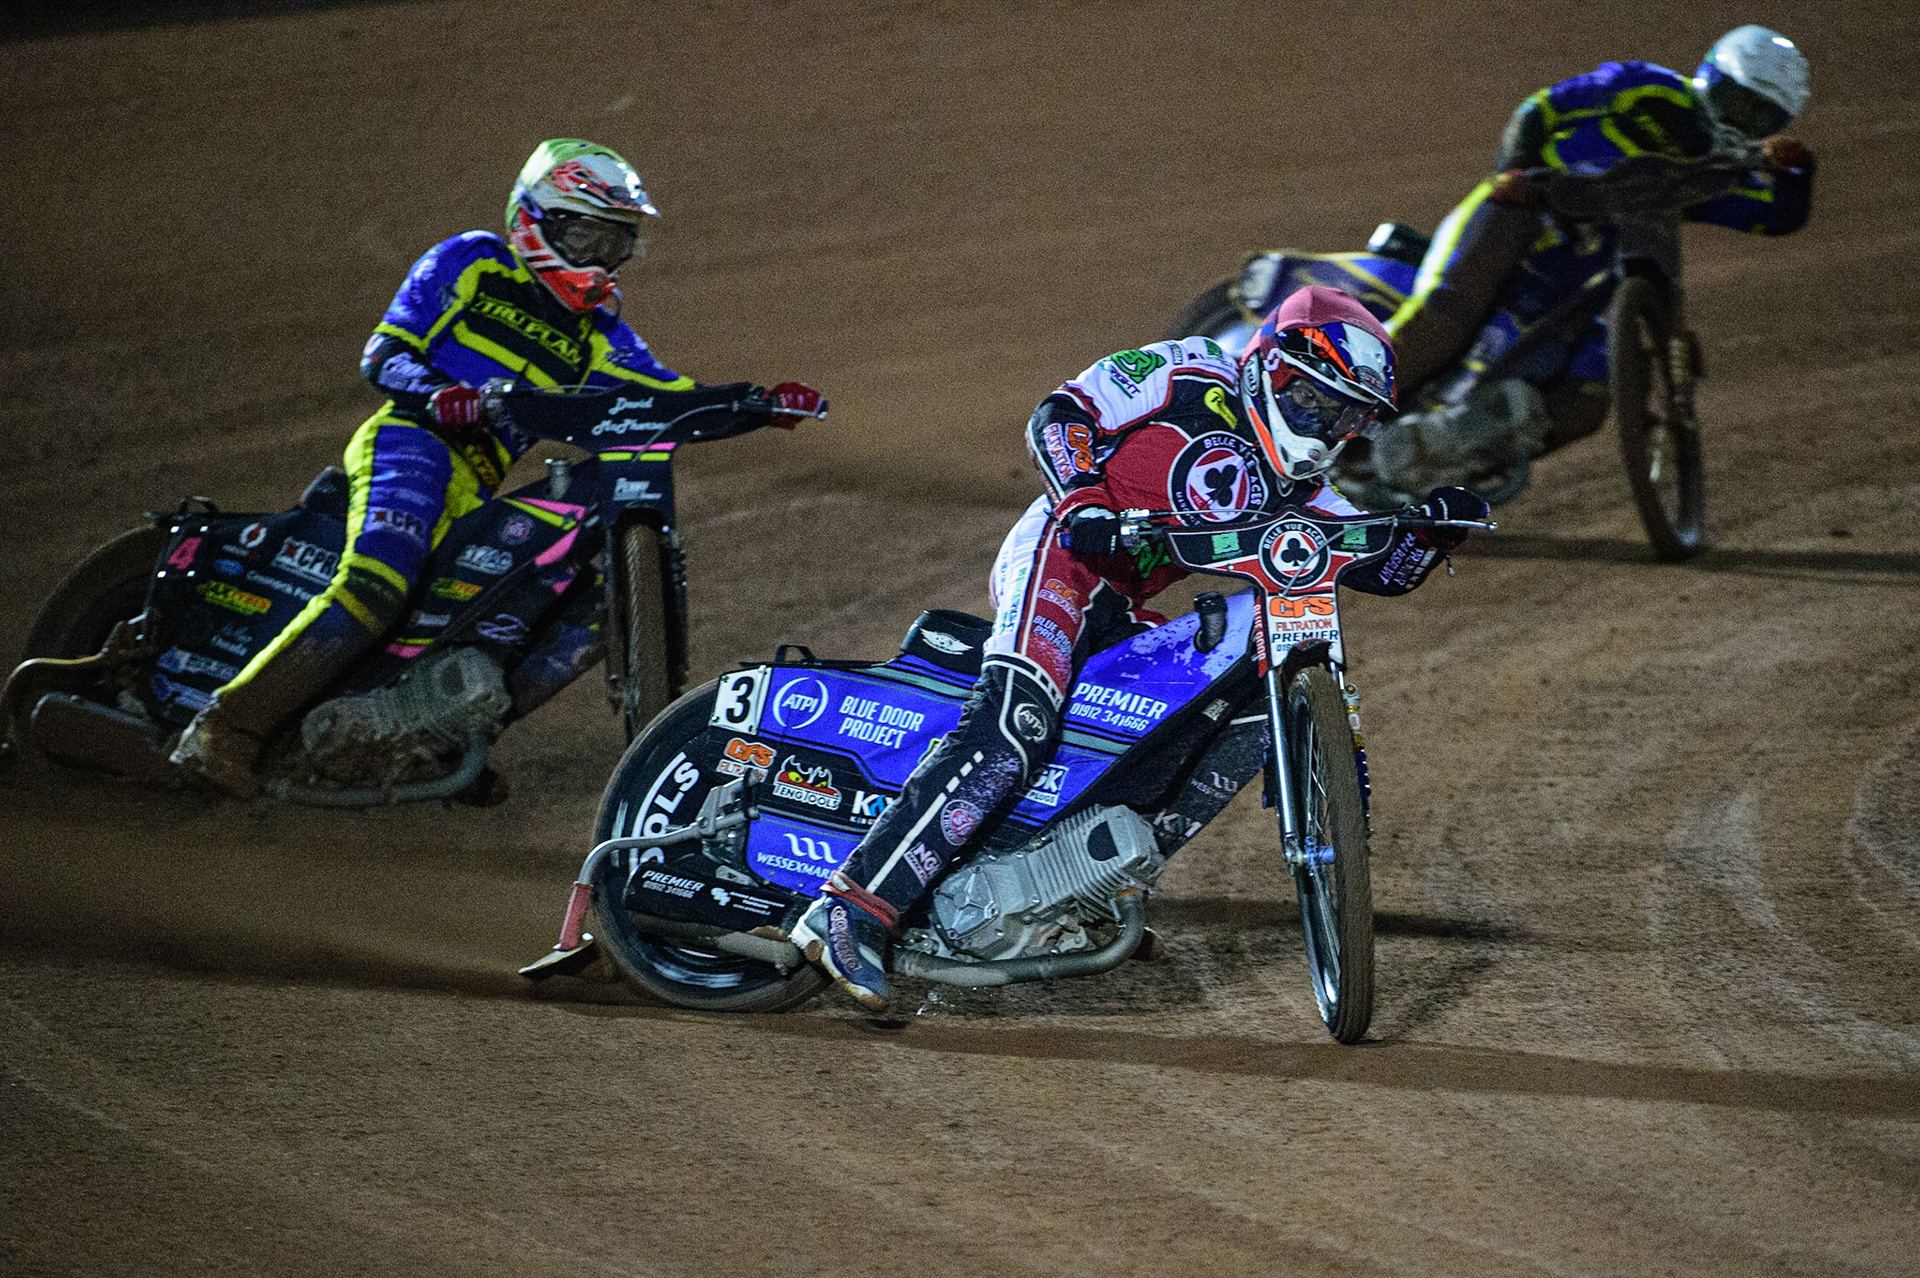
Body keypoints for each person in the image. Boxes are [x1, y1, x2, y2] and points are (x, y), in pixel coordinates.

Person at [785, 286, 1485, 1010]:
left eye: (1343, 415)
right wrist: (1083, 499)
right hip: (1062, 559)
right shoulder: (1189, 370)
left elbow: (1371, 567)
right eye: (1310, 400)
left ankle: (1082, 885)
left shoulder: (1300, 486)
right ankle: (850, 908)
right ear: (1269, 366)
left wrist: (1428, 534)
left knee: (1234, 700)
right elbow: (1061, 414)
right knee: (1015, 728)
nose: (1322, 426)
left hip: (1125, 603)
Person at [170, 138, 825, 796]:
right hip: (412, 440)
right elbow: (385, 352)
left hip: (477, 482)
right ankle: (225, 726)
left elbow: (668, 397)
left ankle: (431, 737)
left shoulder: (601, 337)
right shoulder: (473, 261)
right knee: (378, 582)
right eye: (586, 237)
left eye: (615, 243)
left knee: (534, 599)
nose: (599, 260)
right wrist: (437, 394)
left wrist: (756, 404)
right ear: (533, 219)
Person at [1384, 25, 1816, 443]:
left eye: (1763, 116)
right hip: (1525, 216)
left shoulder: (1712, 176)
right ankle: (1345, 402)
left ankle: (1462, 458)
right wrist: (1517, 175)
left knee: (1588, 395)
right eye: (1737, 100)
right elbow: (1542, 109)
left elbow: (1773, 217)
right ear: (1712, 76)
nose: (1742, 120)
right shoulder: (1650, 85)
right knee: (1443, 319)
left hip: (1577, 283)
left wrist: (1798, 169)